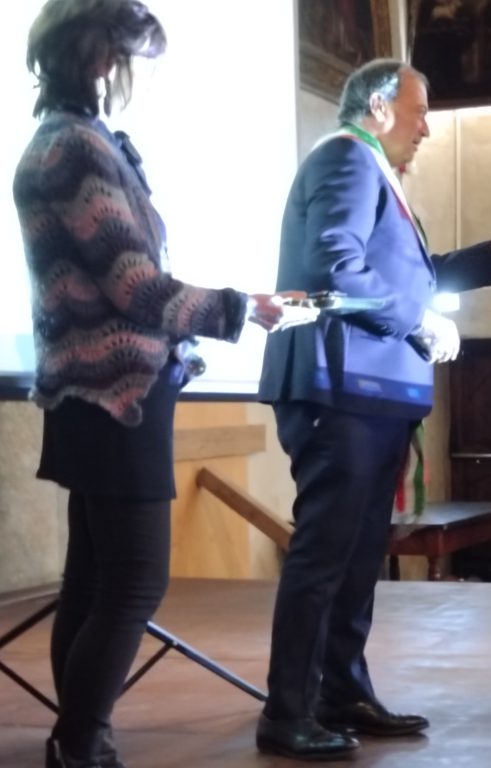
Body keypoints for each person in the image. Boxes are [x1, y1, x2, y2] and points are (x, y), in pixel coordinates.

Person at [13, 2, 313, 766]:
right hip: (116, 398)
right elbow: (135, 286)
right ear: (100, 57)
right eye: (137, 59)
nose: (142, 77)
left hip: (94, 394)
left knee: (93, 583)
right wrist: (242, 308)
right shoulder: (76, 148)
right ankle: (79, 743)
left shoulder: (68, 140)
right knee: (134, 583)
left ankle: (79, 742)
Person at [255, 59, 491, 761]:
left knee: (358, 557)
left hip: (371, 391)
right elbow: (335, 266)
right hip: (340, 388)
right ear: (380, 107)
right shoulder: (347, 160)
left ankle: (341, 692)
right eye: (419, 113)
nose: (426, 130)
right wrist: (416, 322)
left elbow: (406, 276)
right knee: (326, 553)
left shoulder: (373, 171)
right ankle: (288, 711)